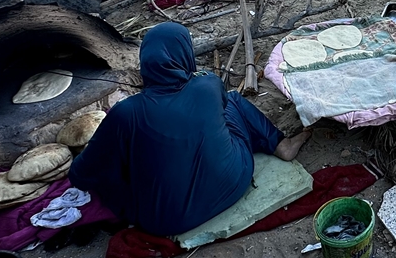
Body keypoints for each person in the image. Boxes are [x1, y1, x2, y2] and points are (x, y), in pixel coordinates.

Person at [69, 22, 310, 236]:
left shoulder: (126, 113)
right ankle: (282, 144)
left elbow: (79, 175)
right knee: (232, 101)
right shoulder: (208, 84)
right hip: (234, 183)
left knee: (120, 160)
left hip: (164, 221)